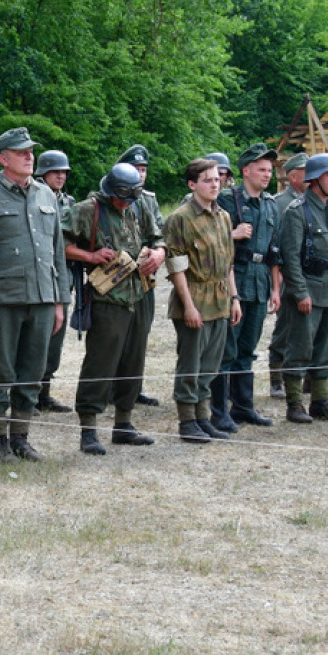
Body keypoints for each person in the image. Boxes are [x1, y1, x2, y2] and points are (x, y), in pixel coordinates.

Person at [0, 127, 67, 463]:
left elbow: (57, 255)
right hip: (4, 301)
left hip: (41, 300)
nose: (29, 157)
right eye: (21, 152)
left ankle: (21, 437)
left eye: (30, 151)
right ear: (3, 158)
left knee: (32, 371)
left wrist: (58, 302)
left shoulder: (45, 195)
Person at [62, 163, 165, 454]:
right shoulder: (87, 210)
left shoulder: (138, 205)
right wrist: (89, 255)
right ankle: (89, 430)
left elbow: (158, 238)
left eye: (131, 198)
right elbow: (58, 239)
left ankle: (124, 424)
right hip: (107, 299)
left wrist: (158, 254)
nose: (126, 203)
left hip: (139, 294)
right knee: (100, 363)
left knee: (134, 362)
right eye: (122, 198)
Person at [163, 157, 242, 442]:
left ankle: (202, 417)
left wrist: (234, 298)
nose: (214, 184)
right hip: (194, 298)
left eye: (217, 179)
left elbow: (228, 262)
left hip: (220, 298)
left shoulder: (223, 217)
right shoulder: (180, 219)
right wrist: (188, 306)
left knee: (210, 364)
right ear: (192, 184)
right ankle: (187, 422)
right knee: (191, 364)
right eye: (207, 179)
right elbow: (176, 267)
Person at [209, 142, 281, 433]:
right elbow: (209, 237)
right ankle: (218, 411)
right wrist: (233, 233)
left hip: (260, 280)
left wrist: (276, 288)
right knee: (227, 348)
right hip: (234, 278)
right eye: (262, 170)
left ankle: (243, 406)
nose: (267, 175)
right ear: (246, 170)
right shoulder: (226, 200)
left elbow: (275, 250)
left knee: (248, 349)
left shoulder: (270, 204)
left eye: (270, 170)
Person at [278, 154, 328, 423]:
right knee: (300, 347)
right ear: (314, 179)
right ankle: (295, 403)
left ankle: (320, 402)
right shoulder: (297, 212)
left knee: (327, 348)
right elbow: (290, 258)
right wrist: (299, 292)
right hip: (309, 288)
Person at [119, 144, 165, 407]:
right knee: (116, 336)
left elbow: (158, 231)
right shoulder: (110, 193)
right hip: (117, 276)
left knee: (140, 333)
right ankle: (112, 388)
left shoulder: (148, 199)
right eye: (136, 168)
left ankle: (133, 388)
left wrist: (156, 252)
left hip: (143, 276)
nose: (141, 173)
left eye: (144, 168)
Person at [34, 149, 75, 414]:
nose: (60, 176)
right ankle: (27, 394)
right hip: (39, 277)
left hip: (63, 277)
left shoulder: (68, 201)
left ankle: (44, 393)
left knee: (55, 344)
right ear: (43, 173)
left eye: (63, 172)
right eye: (55, 172)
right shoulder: (33, 197)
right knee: (35, 343)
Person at [268, 152, 308, 399]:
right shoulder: (279, 203)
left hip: (312, 274)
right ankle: (276, 379)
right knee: (285, 327)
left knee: (312, 329)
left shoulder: (317, 201)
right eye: (305, 172)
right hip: (286, 274)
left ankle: (311, 378)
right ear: (293, 177)